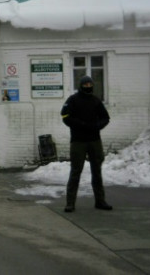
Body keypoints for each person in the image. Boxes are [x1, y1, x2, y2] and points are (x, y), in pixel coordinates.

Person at [61, 75, 112, 212]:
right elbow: (65, 116)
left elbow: (106, 118)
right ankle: (70, 203)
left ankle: (100, 201)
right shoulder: (73, 100)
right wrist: (79, 125)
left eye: (90, 85)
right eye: (86, 85)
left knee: (97, 171)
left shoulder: (96, 101)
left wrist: (97, 126)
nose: (88, 87)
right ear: (81, 85)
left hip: (94, 141)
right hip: (78, 141)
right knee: (75, 172)